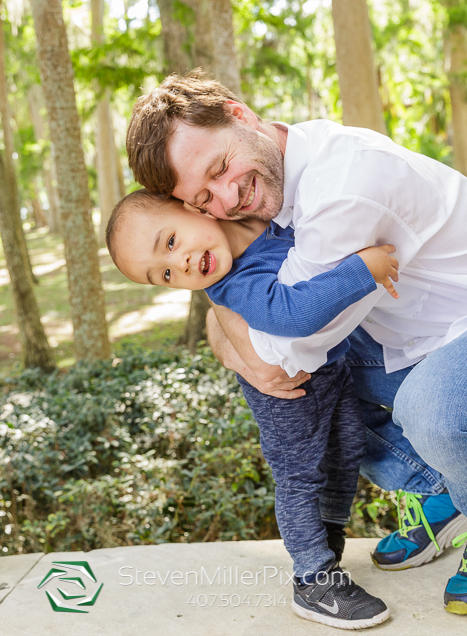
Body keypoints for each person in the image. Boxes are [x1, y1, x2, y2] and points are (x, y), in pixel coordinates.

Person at [126, 70, 467, 616]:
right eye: (204, 196)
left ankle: (340, 552)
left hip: (459, 324)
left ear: (239, 114)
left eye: (219, 167)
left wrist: (244, 347)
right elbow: (261, 335)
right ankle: (438, 493)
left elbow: (289, 347)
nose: (227, 196)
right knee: (320, 406)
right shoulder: (266, 202)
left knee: (430, 411)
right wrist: (237, 333)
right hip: (415, 333)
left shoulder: (341, 186)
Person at [105, 189, 400, 628]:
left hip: (330, 369)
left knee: (345, 453)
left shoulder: (268, 224)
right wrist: (362, 271)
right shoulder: (234, 282)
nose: (180, 264)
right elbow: (292, 314)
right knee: (299, 477)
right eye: (164, 273)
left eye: (170, 242)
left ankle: (328, 541)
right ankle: (312, 579)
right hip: (284, 394)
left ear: (192, 206)